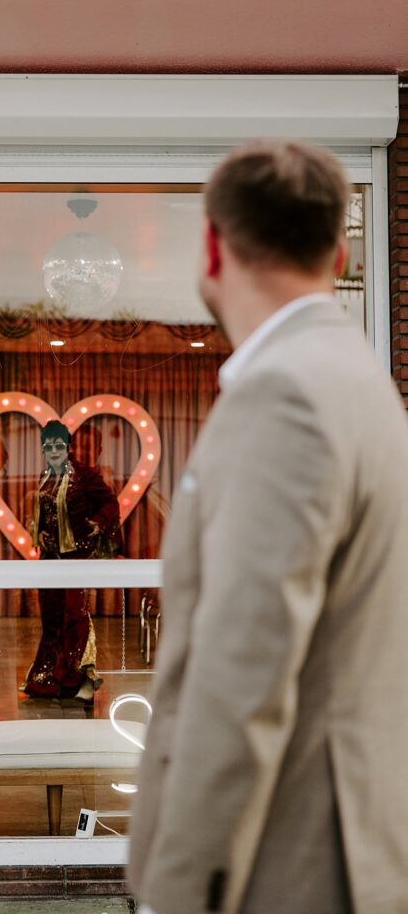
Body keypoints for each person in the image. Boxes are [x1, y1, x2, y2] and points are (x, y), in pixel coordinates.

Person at [129, 140, 408, 914]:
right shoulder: (360, 380)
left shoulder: (282, 394)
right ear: (339, 249)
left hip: (282, 865)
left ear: (212, 248)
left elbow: (239, 674)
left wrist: (182, 888)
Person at [21, 419, 121, 701]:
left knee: (75, 616)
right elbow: (45, 511)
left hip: (76, 558)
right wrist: (39, 532)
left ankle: (83, 680)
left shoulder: (85, 475)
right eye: (48, 446)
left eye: (59, 445)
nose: (53, 450)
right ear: (43, 448)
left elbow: (111, 503)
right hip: (50, 559)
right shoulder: (45, 477)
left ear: (68, 447)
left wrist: (98, 523)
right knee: (51, 619)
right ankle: (50, 679)